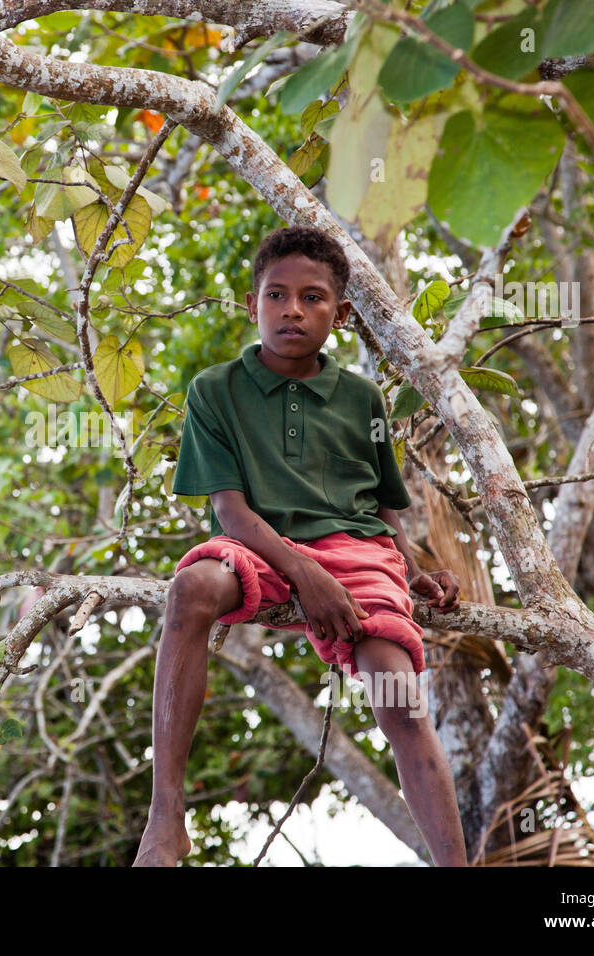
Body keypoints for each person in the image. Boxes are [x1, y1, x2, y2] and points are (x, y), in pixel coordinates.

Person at [132, 225, 467, 867]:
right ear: (252, 303)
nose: (292, 309)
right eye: (276, 295)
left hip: (361, 553)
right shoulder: (214, 391)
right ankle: (165, 816)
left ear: (340, 315)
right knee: (192, 587)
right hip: (263, 545)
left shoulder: (363, 397)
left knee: (396, 694)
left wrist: (414, 567)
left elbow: (386, 503)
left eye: (312, 298)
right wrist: (306, 574)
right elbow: (230, 511)